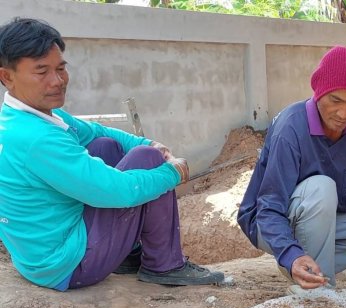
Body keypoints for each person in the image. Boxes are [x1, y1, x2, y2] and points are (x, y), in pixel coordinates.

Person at [0, 17, 224, 291]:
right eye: (41, 71)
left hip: (39, 257)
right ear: (7, 76)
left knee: (105, 146)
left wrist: (149, 141)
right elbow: (119, 191)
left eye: (60, 68)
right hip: (67, 265)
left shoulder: (24, 117)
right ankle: (164, 265)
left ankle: (127, 255)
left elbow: (94, 132)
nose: (57, 81)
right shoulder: (37, 138)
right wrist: (172, 172)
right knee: (147, 161)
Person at [238, 45, 346, 289]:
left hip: (324, 221)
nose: (344, 113)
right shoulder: (291, 129)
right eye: (335, 100)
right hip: (270, 222)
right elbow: (269, 206)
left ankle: (307, 270)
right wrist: (289, 251)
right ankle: (317, 291)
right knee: (321, 187)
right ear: (318, 91)